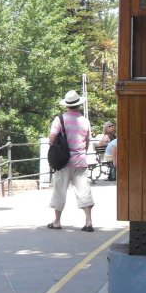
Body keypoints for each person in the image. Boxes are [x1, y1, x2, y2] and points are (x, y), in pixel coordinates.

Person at [47, 89, 95, 231]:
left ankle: (56, 222)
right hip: (80, 161)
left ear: (66, 105)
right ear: (79, 105)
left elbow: (52, 139)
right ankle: (88, 221)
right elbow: (87, 141)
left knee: (59, 190)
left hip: (63, 162)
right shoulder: (85, 121)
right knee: (84, 190)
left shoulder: (59, 119)